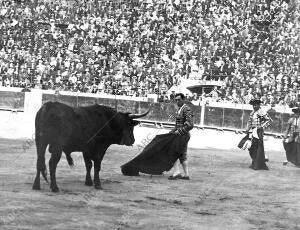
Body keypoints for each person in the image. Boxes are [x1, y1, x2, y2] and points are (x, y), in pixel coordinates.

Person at [168, 93, 194, 180]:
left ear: (184, 99)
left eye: (179, 99)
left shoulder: (186, 109)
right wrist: (173, 130)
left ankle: (176, 173)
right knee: (182, 154)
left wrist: (178, 131)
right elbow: (179, 124)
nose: (177, 101)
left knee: (173, 152)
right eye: (176, 100)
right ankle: (186, 175)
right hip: (181, 134)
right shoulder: (180, 109)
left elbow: (190, 125)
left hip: (182, 135)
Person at [245, 98, 270, 170]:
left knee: (259, 147)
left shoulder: (261, 111)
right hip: (253, 131)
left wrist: (261, 127)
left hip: (259, 132)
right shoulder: (252, 112)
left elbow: (268, 120)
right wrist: (247, 129)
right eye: (253, 105)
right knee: (252, 147)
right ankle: (255, 162)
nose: (254, 106)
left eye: (256, 105)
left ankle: (258, 164)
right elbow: (249, 122)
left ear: (259, 105)